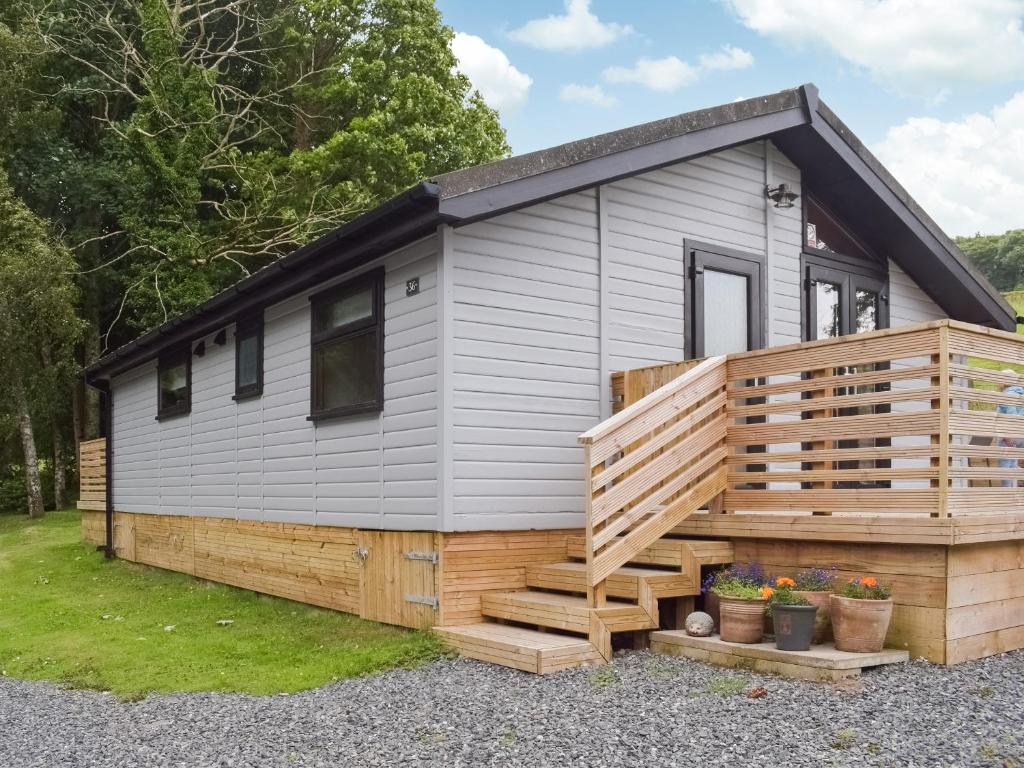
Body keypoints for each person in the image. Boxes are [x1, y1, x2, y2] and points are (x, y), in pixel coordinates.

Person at [997, 369, 1024, 488]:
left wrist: (1008, 434)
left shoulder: (1009, 394)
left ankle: (1006, 494)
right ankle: (1013, 494)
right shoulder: (1021, 393)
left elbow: (1011, 415)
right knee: (1013, 463)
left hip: (1010, 434)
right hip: (1020, 434)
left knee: (1005, 466)